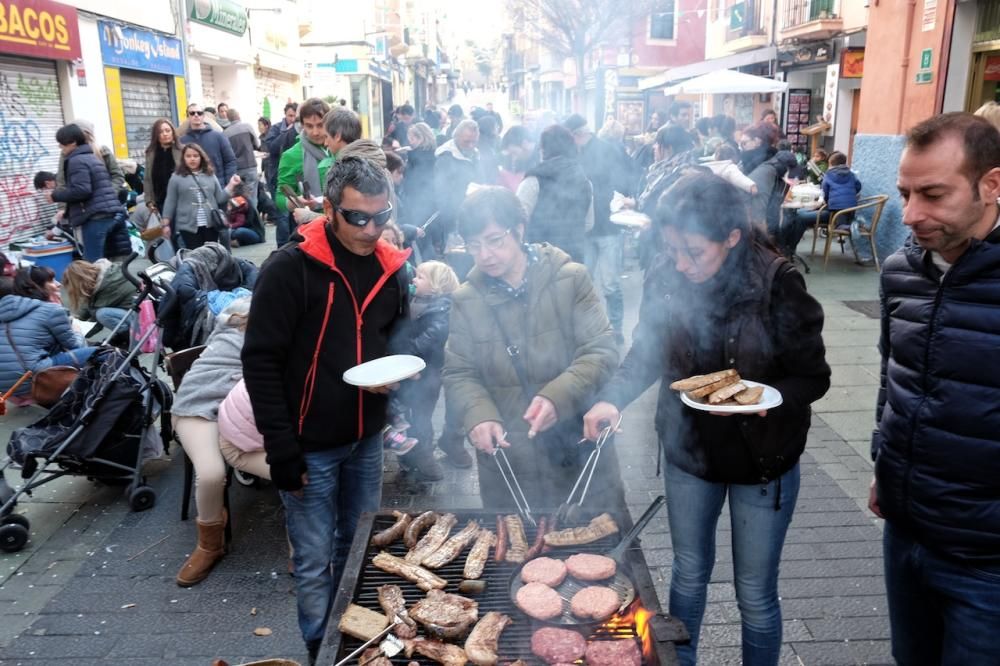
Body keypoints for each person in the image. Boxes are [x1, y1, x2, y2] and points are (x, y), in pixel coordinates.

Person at [584, 172, 830, 666]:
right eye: (673, 248)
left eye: (693, 252)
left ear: (732, 238)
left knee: (755, 594)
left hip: (762, 457)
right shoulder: (666, 276)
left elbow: (814, 377)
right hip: (689, 451)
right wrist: (612, 398)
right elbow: (646, 355)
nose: (681, 263)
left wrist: (770, 397)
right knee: (688, 573)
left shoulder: (777, 282)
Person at [241, 157, 411, 663]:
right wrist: (281, 450)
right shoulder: (291, 268)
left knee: (357, 549)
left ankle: (357, 646)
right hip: (308, 445)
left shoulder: (389, 266)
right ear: (331, 208)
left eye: (381, 216)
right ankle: (321, 650)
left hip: (365, 438)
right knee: (314, 561)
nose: (371, 228)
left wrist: (396, 382)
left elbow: (394, 341)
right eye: (358, 217)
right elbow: (261, 362)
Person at [869, 112, 1000, 663]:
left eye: (933, 194)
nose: (911, 215)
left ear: (991, 185)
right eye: (904, 193)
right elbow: (891, 376)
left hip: (986, 562)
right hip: (906, 533)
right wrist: (883, 462)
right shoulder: (901, 270)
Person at [443, 186, 623, 510]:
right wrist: (478, 416)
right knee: (514, 553)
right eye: (474, 245)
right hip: (509, 462)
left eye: (495, 240)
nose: (485, 255)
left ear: (520, 230)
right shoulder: (465, 299)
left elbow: (601, 350)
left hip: (577, 448)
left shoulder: (570, 278)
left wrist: (557, 395)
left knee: (600, 548)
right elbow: (459, 371)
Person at [171, 299, 264, 587]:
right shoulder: (235, 329)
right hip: (198, 406)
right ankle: (210, 545)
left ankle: (302, 540)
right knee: (211, 473)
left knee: (293, 463)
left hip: (245, 411)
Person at [386, 260, 460, 479]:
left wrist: (401, 351)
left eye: (420, 277)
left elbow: (427, 341)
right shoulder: (412, 300)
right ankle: (407, 457)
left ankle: (426, 458)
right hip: (405, 368)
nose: (414, 280)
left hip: (428, 374)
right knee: (405, 414)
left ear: (436, 285)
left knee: (421, 417)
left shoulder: (443, 309)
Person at [564, 113, 632, 344]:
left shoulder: (606, 149)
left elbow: (622, 182)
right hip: (585, 228)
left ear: (578, 134)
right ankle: (589, 328)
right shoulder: (575, 152)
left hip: (606, 225)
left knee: (610, 282)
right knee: (585, 280)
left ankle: (616, 328)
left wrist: (608, 200)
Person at [0, 272, 98, 398]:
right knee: (103, 352)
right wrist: (77, 330)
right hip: (35, 382)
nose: (58, 284)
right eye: (51, 281)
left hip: (8, 391)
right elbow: (75, 346)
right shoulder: (49, 310)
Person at [516, 124, 592, 262]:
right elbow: (589, 223)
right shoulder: (585, 181)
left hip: (540, 260)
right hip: (573, 260)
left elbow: (517, 221)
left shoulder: (534, 181)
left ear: (544, 150)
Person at [47, 123, 123, 262]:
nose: (60, 147)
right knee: (108, 259)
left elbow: (82, 190)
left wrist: (55, 196)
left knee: (92, 263)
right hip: (108, 212)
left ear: (73, 142)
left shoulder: (77, 159)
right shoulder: (89, 156)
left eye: (62, 144)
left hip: (94, 215)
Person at [160, 144, 241, 250]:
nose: (192, 159)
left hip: (211, 223)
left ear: (201, 157)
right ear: (183, 158)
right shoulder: (176, 178)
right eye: (188, 156)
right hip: (187, 225)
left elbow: (220, 198)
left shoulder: (210, 175)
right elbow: (171, 201)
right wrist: (165, 224)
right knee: (195, 256)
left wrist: (231, 185)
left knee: (212, 253)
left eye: (195, 156)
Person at [274, 99, 333, 233]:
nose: (315, 132)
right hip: (312, 227)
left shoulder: (338, 147)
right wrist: (296, 201)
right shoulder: (291, 155)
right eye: (309, 126)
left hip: (343, 223)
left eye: (320, 125)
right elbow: (279, 197)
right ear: (302, 125)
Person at [433, 119, 481, 253]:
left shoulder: (475, 154)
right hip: (454, 218)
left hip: (473, 212)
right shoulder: (446, 158)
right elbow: (441, 193)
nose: (471, 146)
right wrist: (449, 224)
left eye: (474, 142)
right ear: (456, 137)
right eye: (467, 142)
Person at [61, 260, 137, 332]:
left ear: (81, 283)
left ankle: (129, 336)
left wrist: (77, 333)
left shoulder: (108, 286)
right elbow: (88, 305)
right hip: (135, 311)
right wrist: (77, 318)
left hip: (140, 317)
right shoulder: (103, 276)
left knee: (102, 314)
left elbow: (95, 321)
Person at [180, 103, 237, 188]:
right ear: (188, 116)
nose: (196, 115)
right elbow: (180, 166)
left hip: (218, 188)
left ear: (203, 116)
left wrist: (228, 185)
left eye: (199, 113)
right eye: (192, 113)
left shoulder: (219, 136)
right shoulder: (182, 141)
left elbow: (230, 161)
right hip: (193, 190)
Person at [223, 109, 261, 212]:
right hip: (250, 165)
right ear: (238, 115)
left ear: (228, 118)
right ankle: (253, 219)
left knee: (238, 196)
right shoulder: (247, 127)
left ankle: (241, 219)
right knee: (252, 196)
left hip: (236, 169)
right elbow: (257, 144)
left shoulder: (225, 133)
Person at [143, 118, 183, 216]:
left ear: (173, 132)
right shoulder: (150, 153)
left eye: (168, 131)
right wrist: (149, 200)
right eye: (160, 132)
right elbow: (147, 178)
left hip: (181, 200)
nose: (165, 134)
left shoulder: (182, 150)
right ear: (156, 135)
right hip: (161, 200)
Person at [402, 122, 438, 232]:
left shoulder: (419, 158)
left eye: (412, 139)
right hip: (428, 203)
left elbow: (414, 182)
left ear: (421, 138)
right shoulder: (431, 154)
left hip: (419, 204)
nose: (410, 142)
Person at [821, 151, 863, 228]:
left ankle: (850, 227)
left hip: (836, 206)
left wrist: (827, 200)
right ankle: (855, 223)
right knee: (848, 220)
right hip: (852, 205)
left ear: (831, 164)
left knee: (839, 225)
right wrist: (852, 193)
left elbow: (825, 190)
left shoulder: (828, 175)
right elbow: (858, 186)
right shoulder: (851, 174)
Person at [498, 125, 537, 192]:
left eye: (514, 153)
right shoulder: (525, 157)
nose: (513, 159)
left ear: (525, 144)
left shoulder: (542, 158)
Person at [477, 114, 501, 185]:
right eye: (496, 126)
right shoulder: (482, 146)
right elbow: (489, 167)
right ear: (490, 128)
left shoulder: (491, 142)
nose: (498, 127)